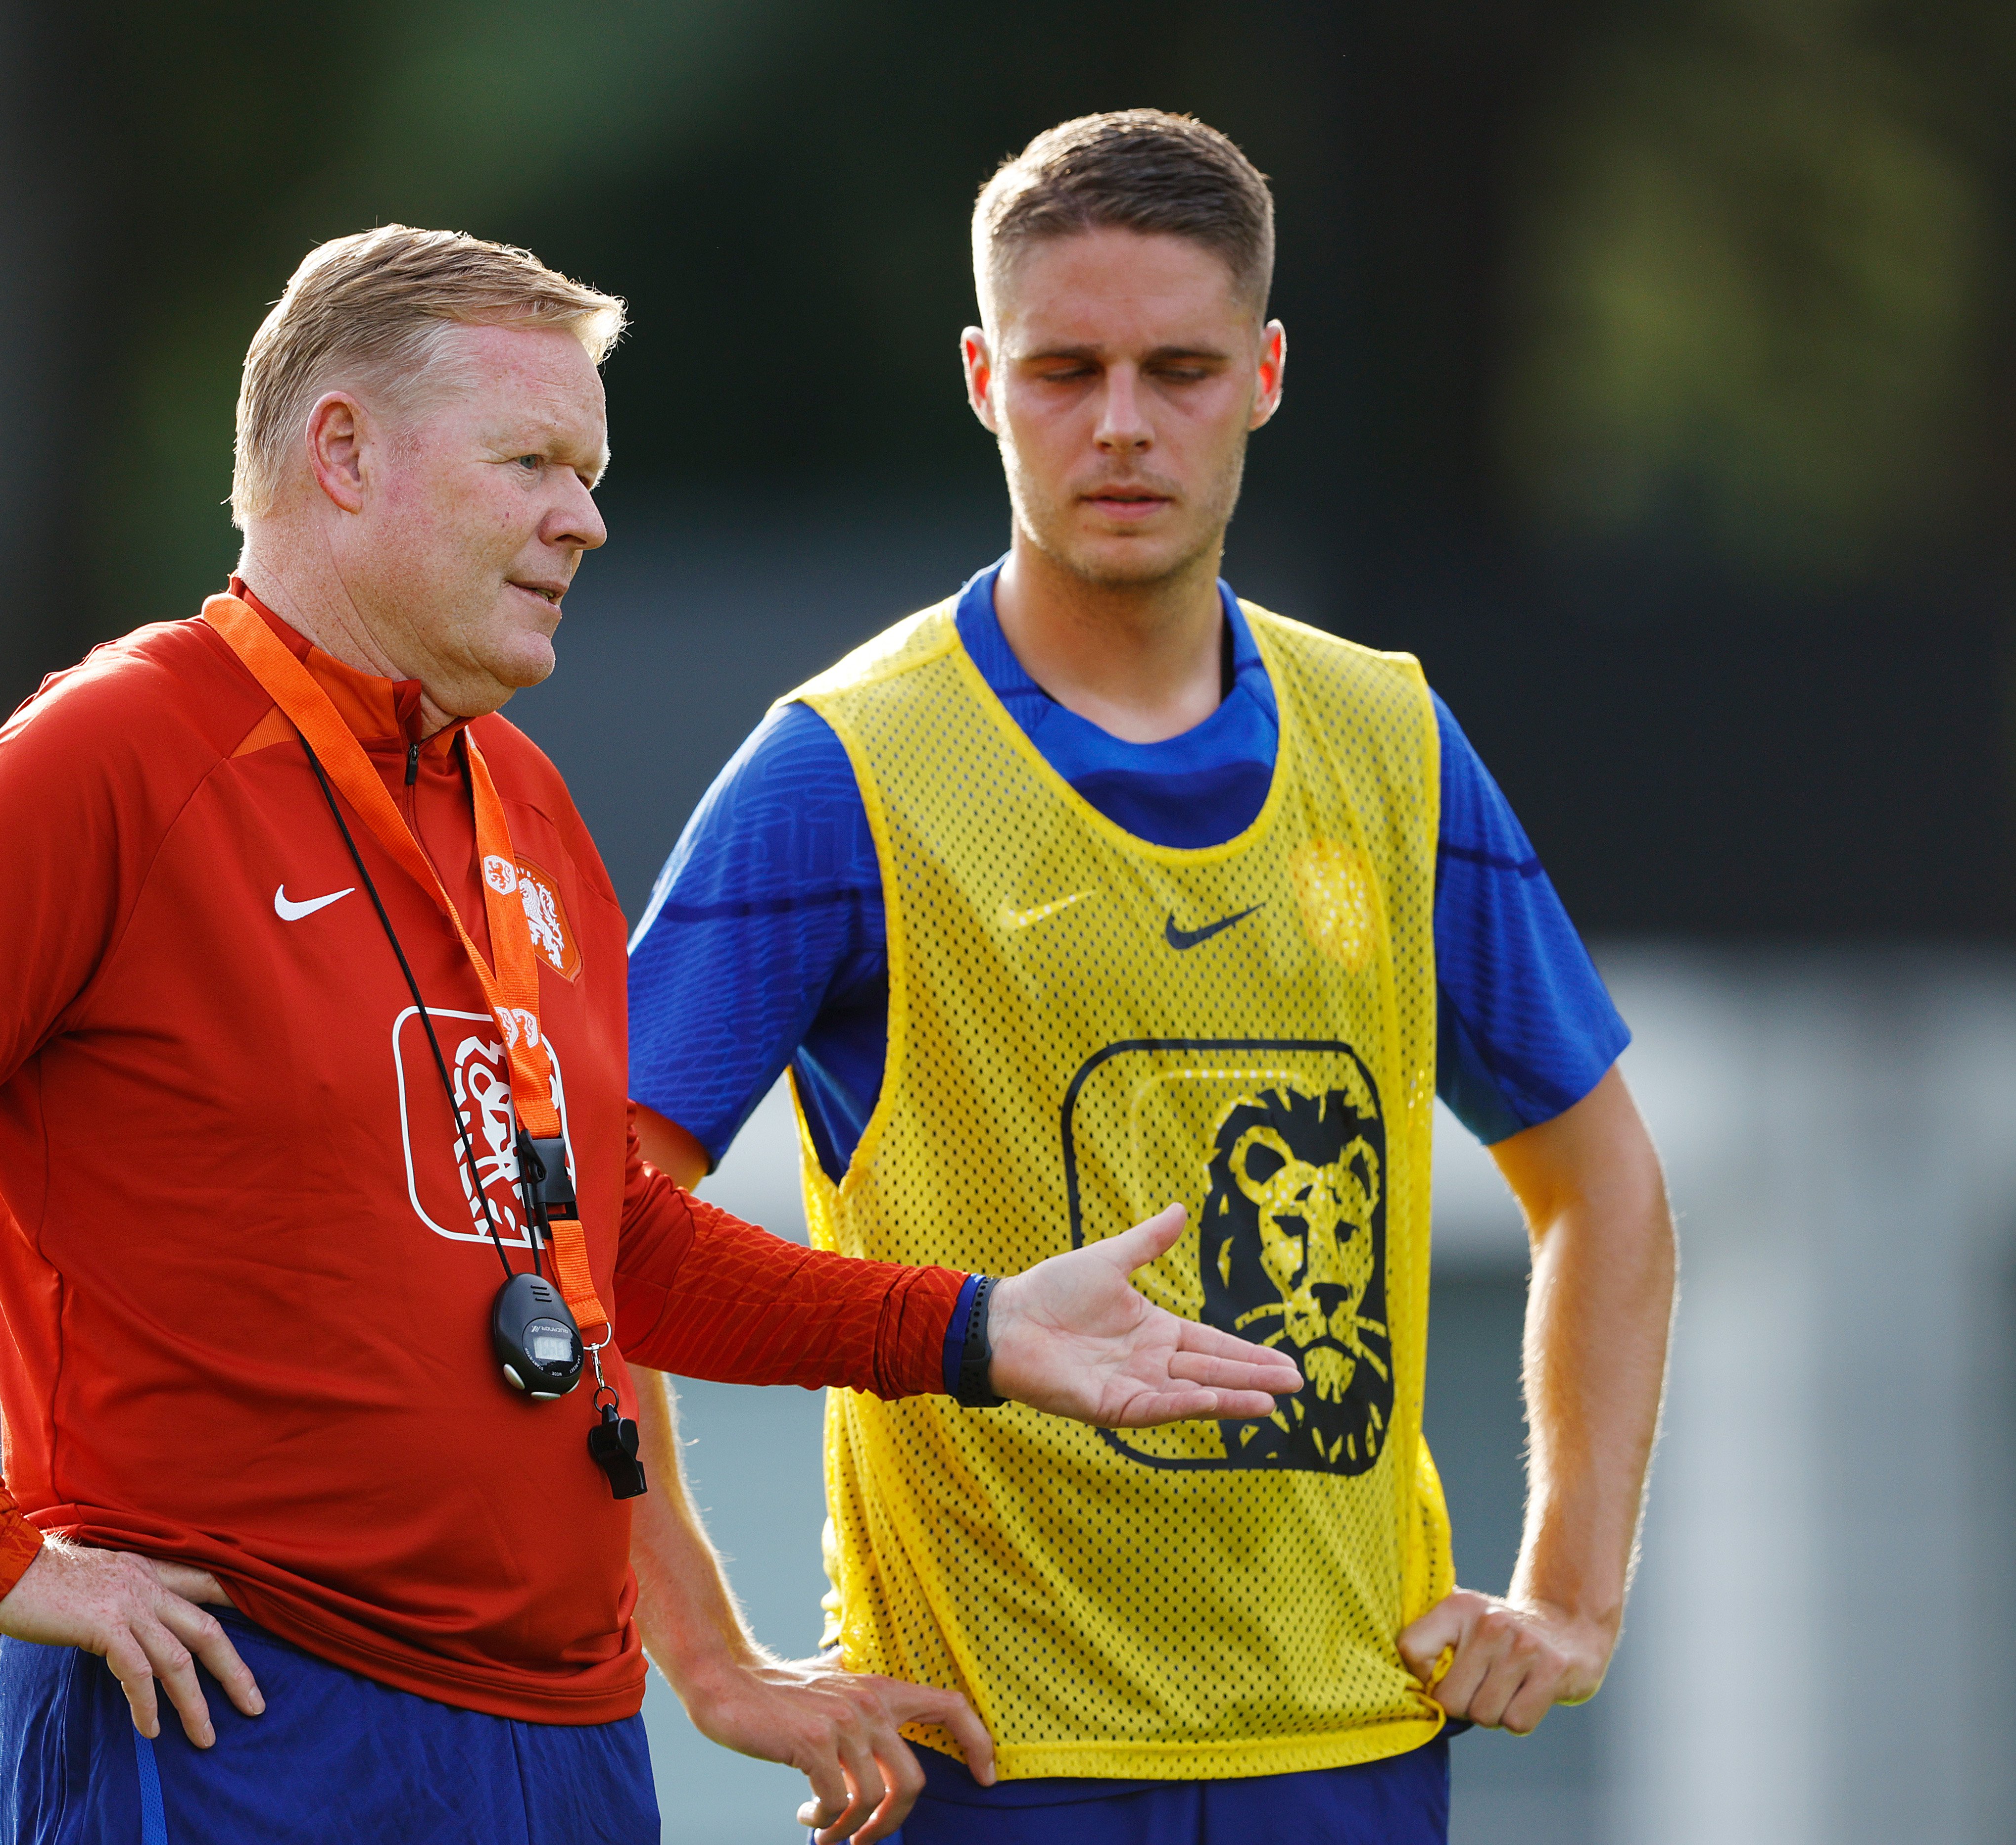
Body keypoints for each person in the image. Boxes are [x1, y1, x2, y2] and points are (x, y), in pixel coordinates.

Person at [0, 223, 1305, 1845]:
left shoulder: (521, 797)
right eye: (531, 462)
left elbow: (613, 1247)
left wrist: (975, 1328)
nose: (583, 518)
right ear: (342, 454)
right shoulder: (122, 748)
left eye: (587, 474)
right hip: (243, 1715)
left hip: (562, 1741)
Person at [624, 111, 1679, 1843]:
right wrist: (709, 1657)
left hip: (1351, 1748)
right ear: (985, 380)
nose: (1121, 422)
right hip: (991, 1767)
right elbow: (587, 1219)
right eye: (1066, 370)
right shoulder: (841, 770)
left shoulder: (1394, 741)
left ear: (1262, 376)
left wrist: (1570, 1595)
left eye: (1178, 369)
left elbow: (1604, 1180)